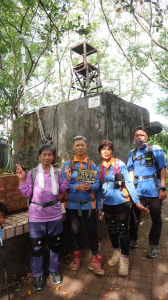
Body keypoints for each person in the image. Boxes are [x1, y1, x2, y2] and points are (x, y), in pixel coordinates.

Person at [16, 143, 71, 291]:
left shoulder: (56, 173)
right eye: (44, 154)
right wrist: (22, 179)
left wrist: (67, 179)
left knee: (55, 246)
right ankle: (38, 274)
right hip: (36, 217)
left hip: (55, 215)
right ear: (39, 156)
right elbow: (27, 193)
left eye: (50, 154)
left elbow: (60, 190)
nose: (47, 157)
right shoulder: (33, 173)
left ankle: (54, 270)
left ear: (53, 157)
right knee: (36, 248)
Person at [96, 140, 149, 276]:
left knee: (122, 229)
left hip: (122, 201)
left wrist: (136, 201)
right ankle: (116, 252)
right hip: (107, 203)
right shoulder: (99, 168)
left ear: (112, 150)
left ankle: (124, 259)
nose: (106, 151)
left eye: (109, 149)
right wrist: (98, 207)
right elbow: (98, 190)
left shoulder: (119, 164)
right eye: (103, 149)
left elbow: (129, 183)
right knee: (112, 229)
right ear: (100, 151)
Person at [62, 136, 104, 275]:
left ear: (86, 147)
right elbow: (62, 186)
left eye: (82, 145)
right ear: (73, 148)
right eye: (77, 145)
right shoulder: (67, 165)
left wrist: (90, 187)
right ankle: (77, 256)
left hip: (89, 205)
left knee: (92, 231)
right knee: (74, 231)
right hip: (72, 206)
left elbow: (98, 184)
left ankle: (95, 257)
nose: (80, 147)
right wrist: (76, 187)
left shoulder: (92, 165)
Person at [127, 126, 167, 258]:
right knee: (133, 217)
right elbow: (131, 171)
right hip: (138, 191)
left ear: (147, 137)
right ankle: (133, 240)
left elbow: (162, 169)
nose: (139, 137)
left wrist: (162, 188)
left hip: (154, 191)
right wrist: (130, 189)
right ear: (134, 138)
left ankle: (153, 245)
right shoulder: (132, 153)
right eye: (137, 135)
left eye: (142, 135)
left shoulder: (156, 149)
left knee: (156, 218)